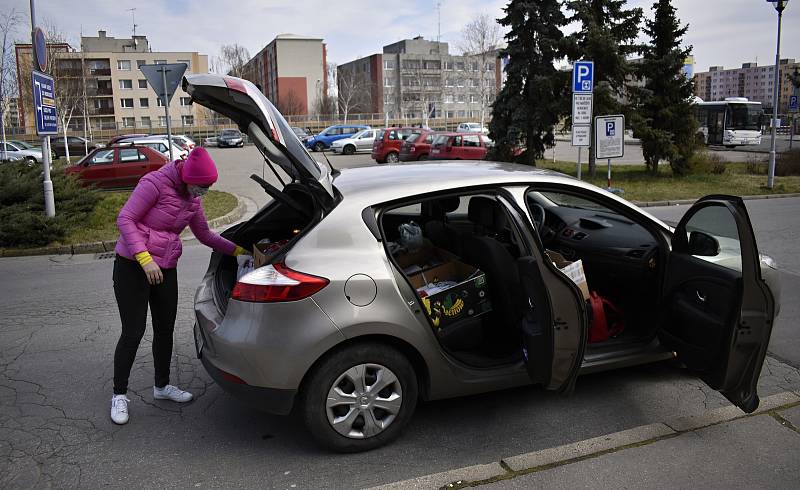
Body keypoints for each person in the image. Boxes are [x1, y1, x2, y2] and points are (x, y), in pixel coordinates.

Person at [110, 147, 247, 425]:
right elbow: (125, 219)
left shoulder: (192, 198)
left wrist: (239, 251)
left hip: (165, 268)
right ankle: (119, 395)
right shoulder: (155, 183)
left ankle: (162, 387)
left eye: (208, 187)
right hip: (133, 267)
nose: (205, 192)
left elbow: (205, 234)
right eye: (203, 186)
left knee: (164, 329)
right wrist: (144, 258)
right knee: (133, 332)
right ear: (188, 177)